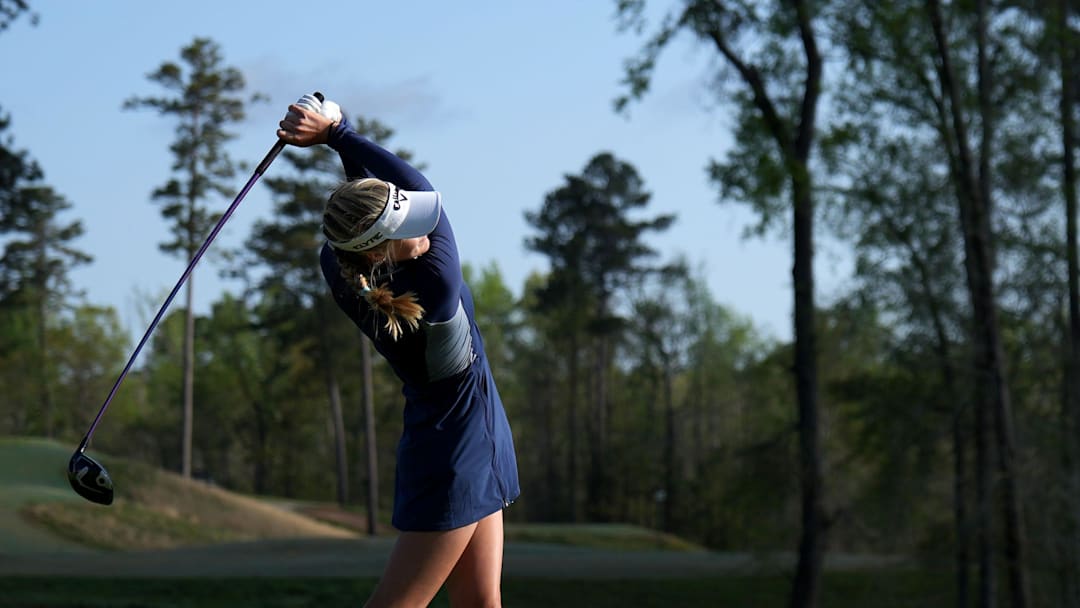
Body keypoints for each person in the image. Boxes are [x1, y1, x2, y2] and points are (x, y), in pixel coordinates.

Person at [277, 94, 521, 608]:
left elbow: (366, 203)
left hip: (457, 439)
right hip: (456, 452)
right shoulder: (436, 279)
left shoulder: (340, 266)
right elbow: (422, 188)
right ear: (380, 250)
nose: (420, 226)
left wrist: (336, 134)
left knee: (481, 601)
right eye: (406, 226)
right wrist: (339, 133)